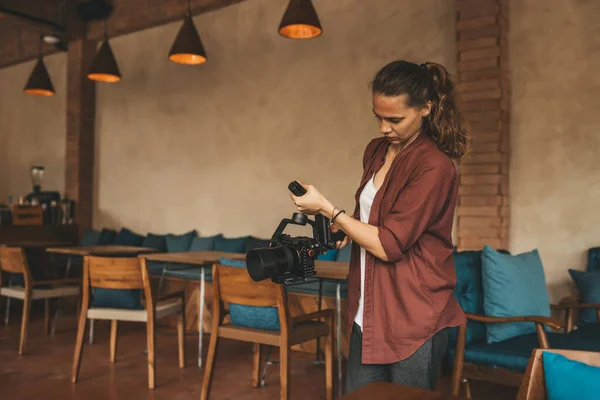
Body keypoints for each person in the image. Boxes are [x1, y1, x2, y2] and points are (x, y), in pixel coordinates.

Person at [290, 60, 471, 393]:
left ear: (426, 108)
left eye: (395, 119)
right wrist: (346, 228)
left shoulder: (434, 165)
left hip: (413, 311)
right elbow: (373, 215)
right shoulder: (375, 151)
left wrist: (330, 210)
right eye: (378, 116)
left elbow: (389, 244)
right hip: (368, 307)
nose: (384, 128)